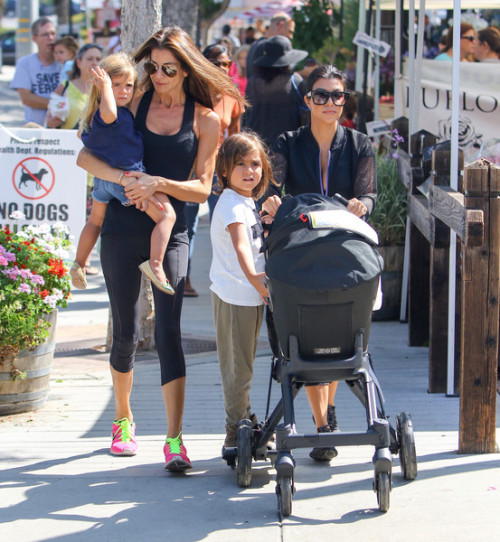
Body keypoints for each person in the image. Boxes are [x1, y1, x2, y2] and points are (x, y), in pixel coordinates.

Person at [77, 26, 244, 470]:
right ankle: (123, 418)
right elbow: (88, 156)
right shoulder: (132, 102)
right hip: (121, 227)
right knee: (126, 329)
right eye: (152, 66)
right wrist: (124, 181)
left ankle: (174, 439)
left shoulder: (206, 119)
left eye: (168, 67)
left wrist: (158, 183)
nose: (159, 73)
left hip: (174, 231)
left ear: (186, 67)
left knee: (170, 332)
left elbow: (204, 188)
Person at [261, 65, 377, 462]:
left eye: (338, 95)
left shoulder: (359, 144)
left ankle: (324, 418)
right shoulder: (288, 143)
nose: (331, 102)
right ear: (307, 100)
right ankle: (323, 421)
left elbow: (369, 194)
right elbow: (272, 188)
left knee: (332, 330)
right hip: (303, 247)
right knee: (307, 336)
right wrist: (271, 201)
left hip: (344, 247)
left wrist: (365, 204)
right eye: (322, 95)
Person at [71, 53, 176, 295]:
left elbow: (81, 136)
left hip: (103, 181)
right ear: (102, 86)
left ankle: (80, 262)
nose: (123, 91)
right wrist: (106, 86)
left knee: (95, 220)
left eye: (128, 85)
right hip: (128, 179)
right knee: (166, 215)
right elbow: (109, 113)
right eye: (116, 84)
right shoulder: (110, 115)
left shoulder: (93, 116)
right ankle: (156, 265)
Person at [210, 132, 275, 454]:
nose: (249, 171)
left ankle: (245, 420)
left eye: (255, 164)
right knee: (238, 368)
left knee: (244, 365)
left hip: (249, 296)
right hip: (237, 295)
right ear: (224, 170)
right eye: (240, 165)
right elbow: (240, 246)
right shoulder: (233, 205)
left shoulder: (245, 202)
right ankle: (235, 431)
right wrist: (254, 277)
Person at [243, 35, 308, 148]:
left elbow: (247, 116)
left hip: (257, 148)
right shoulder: (295, 81)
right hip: (288, 148)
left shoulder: (253, 83)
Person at [202, 43, 243, 219]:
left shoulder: (231, 94)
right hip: (189, 164)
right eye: (215, 63)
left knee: (218, 218)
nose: (221, 68)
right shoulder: (192, 92)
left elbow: (235, 135)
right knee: (186, 225)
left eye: (225, 64)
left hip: (217, 165)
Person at [10, 17, 60, 126]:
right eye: (45, 35)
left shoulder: (65, 63)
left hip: (64, 129)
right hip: (36, 129)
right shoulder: (24, 64)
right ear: (34, 38)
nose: (50, 38)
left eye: (53, 33)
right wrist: (60, 105)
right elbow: (27, 99)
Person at [46, 43, 103, 130]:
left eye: (98, 59)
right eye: (90, 59)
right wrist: (51, 122)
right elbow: (50, 117)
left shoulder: (106, 89)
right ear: (78, 62)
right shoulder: (65, 87)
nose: (94, 62)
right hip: (68, 140)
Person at [246, 12, 296, 79]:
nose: (291, 37)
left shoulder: (255, 45)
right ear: (280, 26)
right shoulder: (268, 48)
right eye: (290, 31)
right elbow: (274, 80)